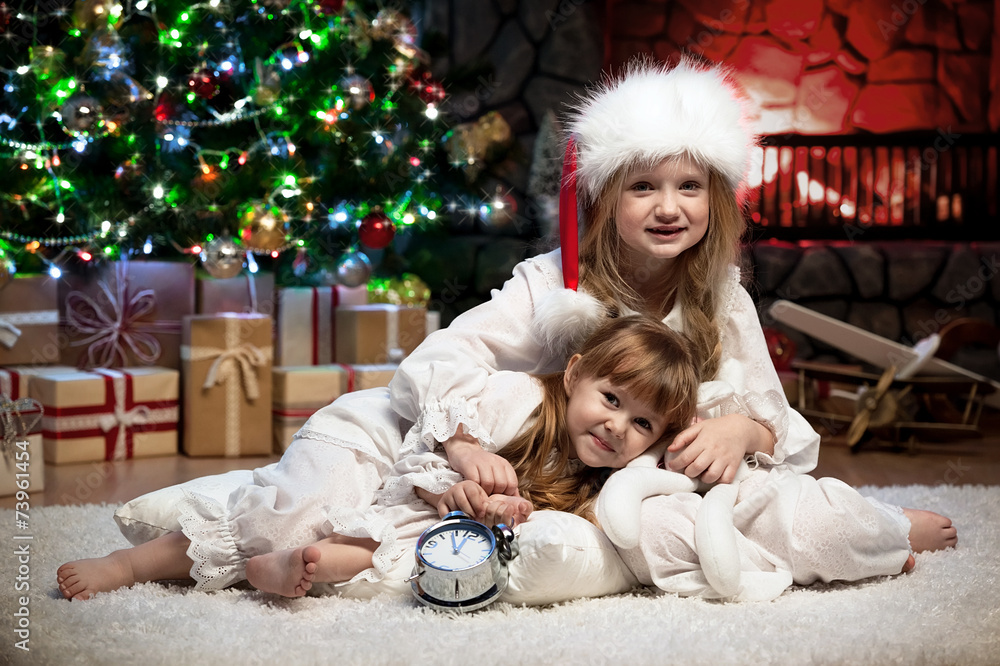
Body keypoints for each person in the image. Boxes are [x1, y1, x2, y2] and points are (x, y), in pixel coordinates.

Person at [385, 55, 957, 592]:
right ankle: (786, 560)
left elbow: (775, 424)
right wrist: (462, 449)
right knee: (655, 537)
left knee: (783, 510)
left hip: (677, 482)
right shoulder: (555, 281)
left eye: (689, 186)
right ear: (607, 198)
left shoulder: (723, 296)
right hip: (562, 481)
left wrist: (740, 432)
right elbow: (445, 356)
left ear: (717, 199)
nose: (669, 207)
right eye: (643, 186)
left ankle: (872, 529)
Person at [56, 315, 700, 600]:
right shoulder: (520, 398)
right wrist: (462, 459)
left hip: (407, 488)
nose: (617, 426)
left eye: (642, 422)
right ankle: (129, 562)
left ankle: (281, 570)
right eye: (611, 398)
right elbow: (424, 441)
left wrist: (480, 502)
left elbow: (456, 500)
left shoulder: (591, 477)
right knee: (286, 514)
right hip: (376, 437)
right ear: (575, 374)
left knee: (400, 547)